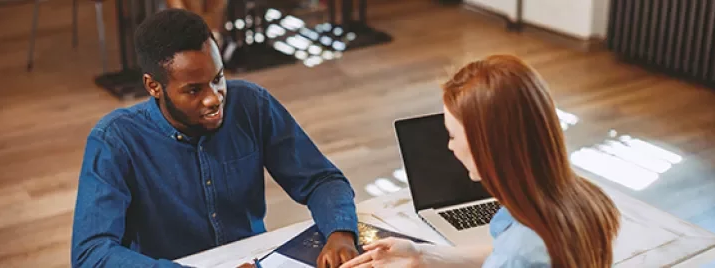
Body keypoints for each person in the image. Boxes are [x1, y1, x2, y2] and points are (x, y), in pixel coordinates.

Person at [71, 9, 360, 268]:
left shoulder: (251, 104)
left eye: (218, 78)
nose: (214, 98)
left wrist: (340, 232)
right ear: (153, 86)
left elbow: (321, 180)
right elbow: (92, 255)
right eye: (194, 90)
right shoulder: (114, 141)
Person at [340, 55, 622, 268]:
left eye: (452, 135)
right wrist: (422, 255)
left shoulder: (521, 251)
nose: (450, 147)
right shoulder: (581, 198)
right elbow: (501, 251)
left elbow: (511, 256)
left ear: (485, 146)